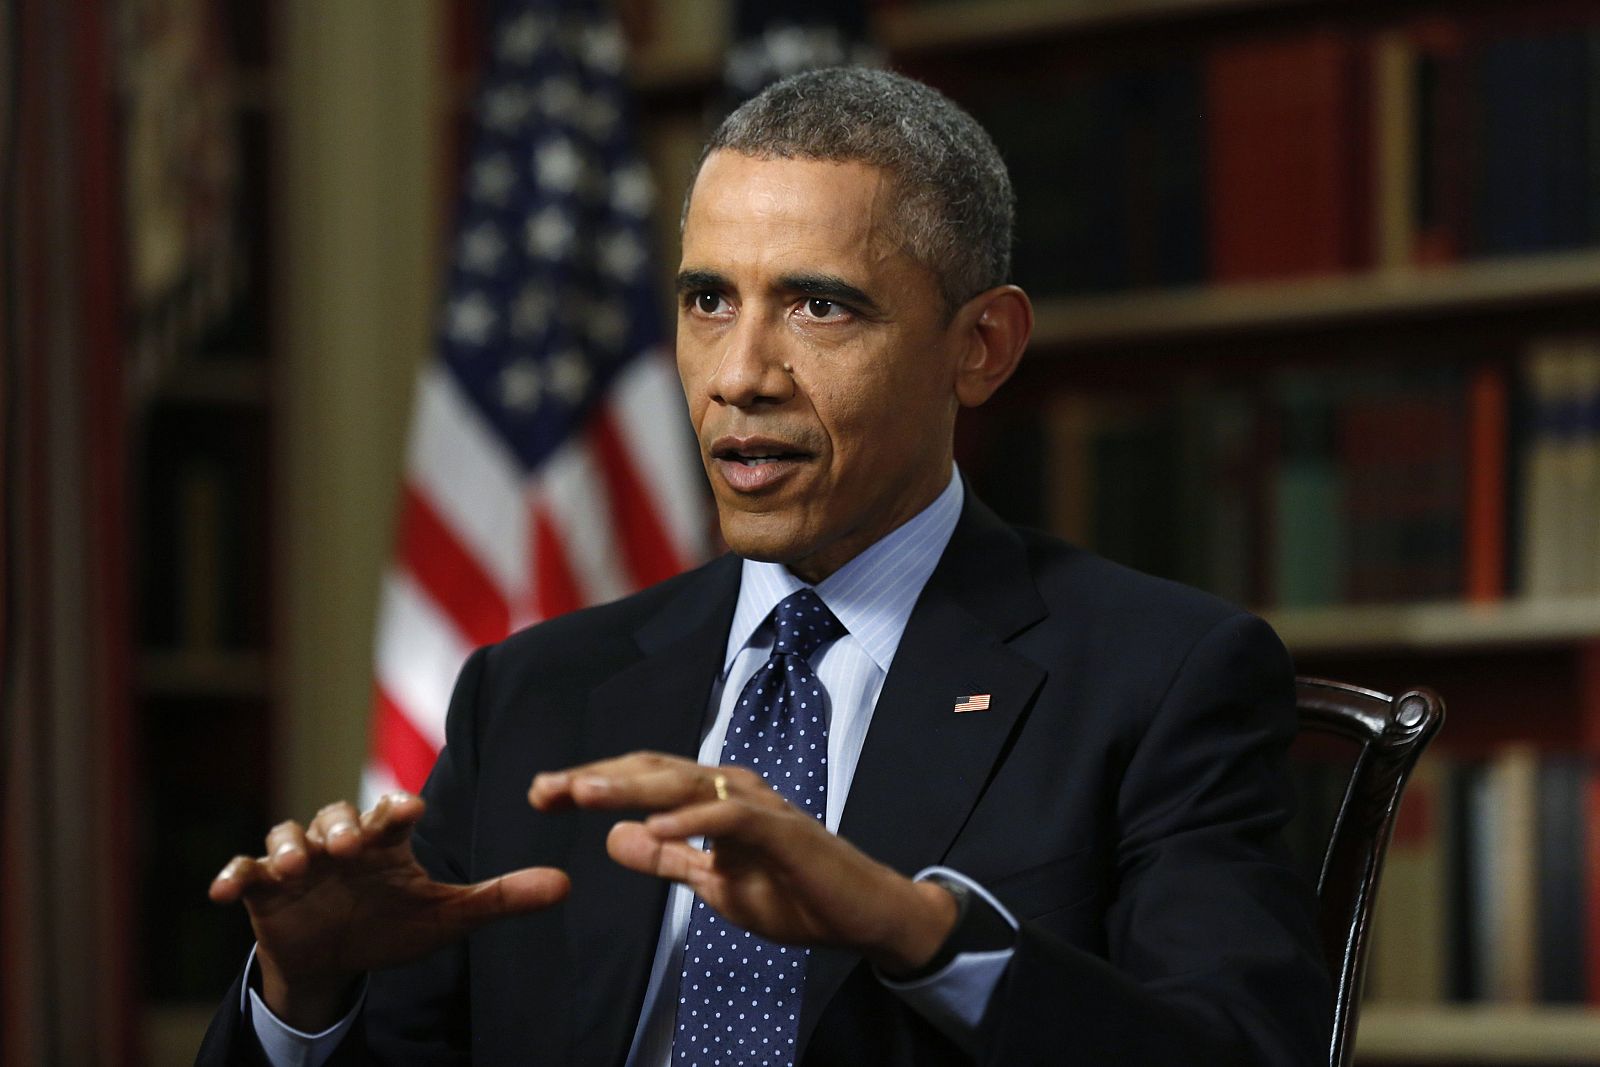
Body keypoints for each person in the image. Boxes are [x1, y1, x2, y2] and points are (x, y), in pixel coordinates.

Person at [198, 67, 1330, 1066]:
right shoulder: (534, 691)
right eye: (707, 301)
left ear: (979, 348)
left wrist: (911, 926)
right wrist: (309, 997)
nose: (740, 373)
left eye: (818, 305)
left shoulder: (1160, 675)